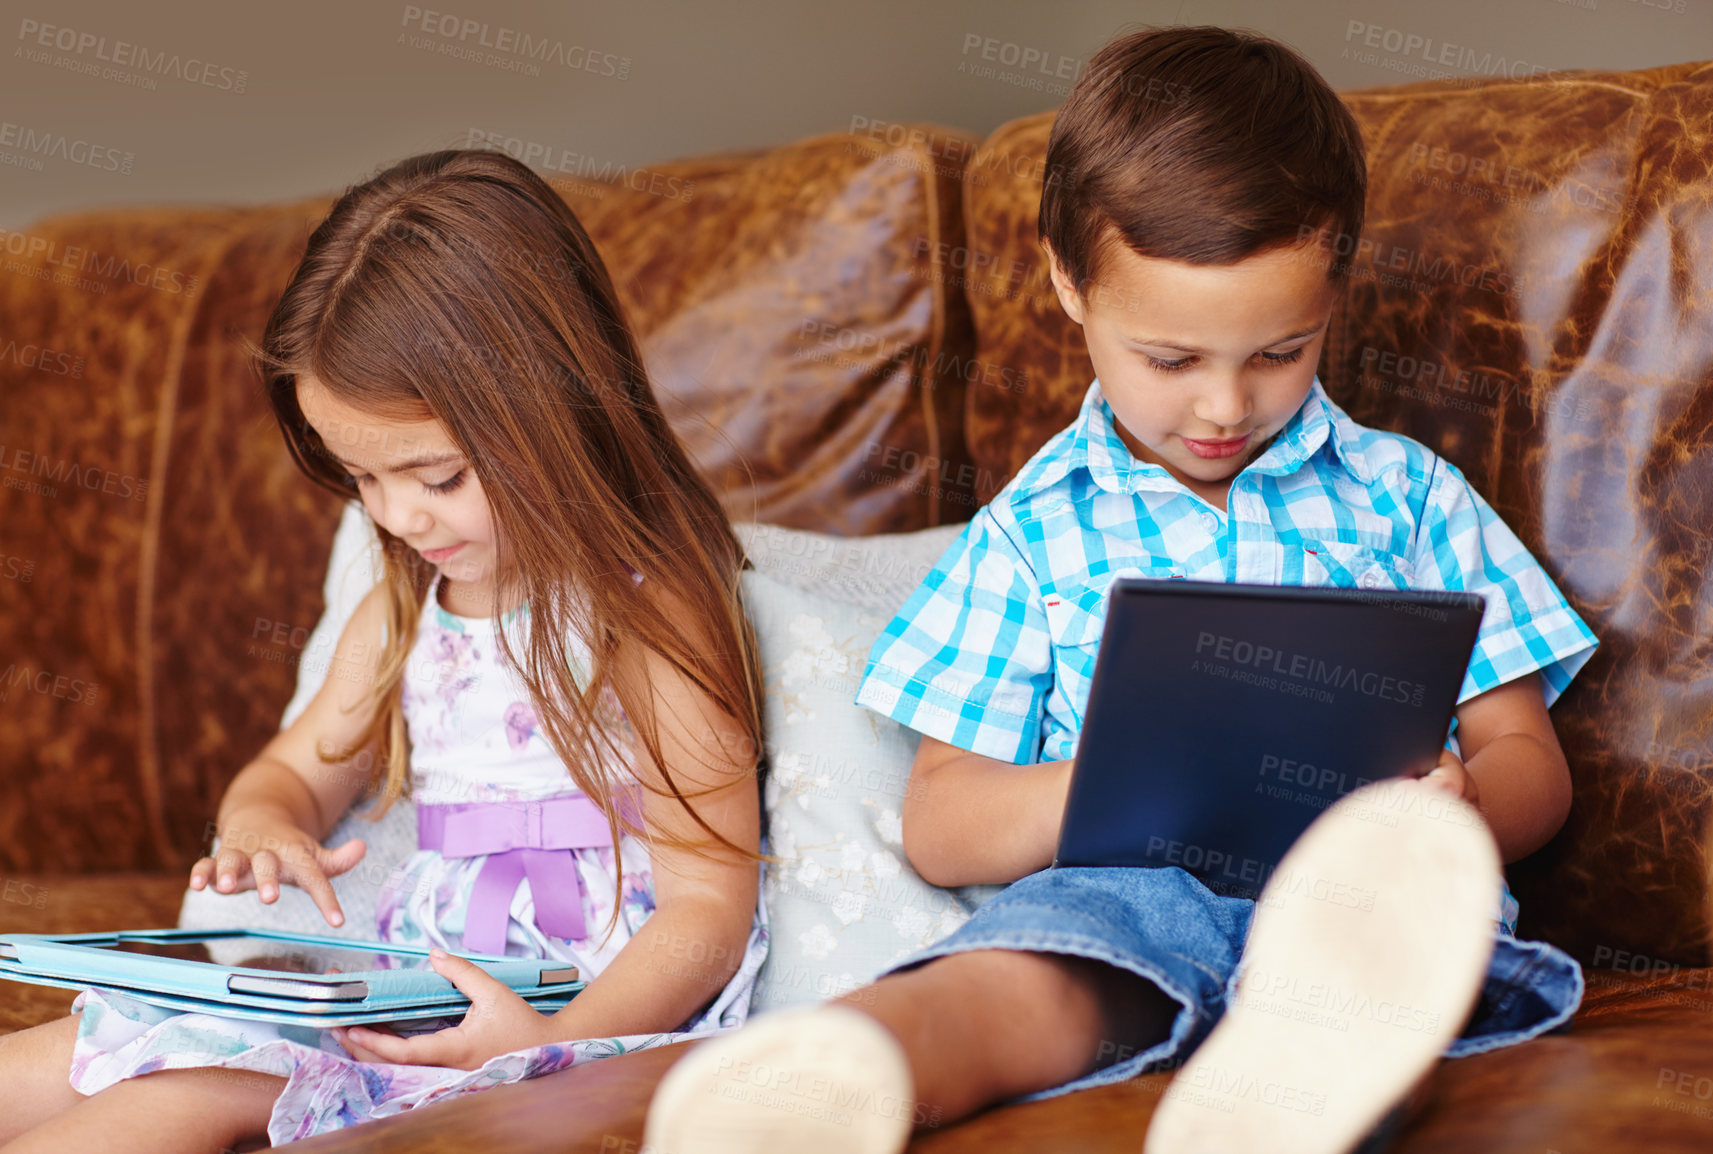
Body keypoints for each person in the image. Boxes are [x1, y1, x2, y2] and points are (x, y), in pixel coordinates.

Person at [644, 25, 1596, 1154]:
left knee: (1390, 948)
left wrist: (1467, 804)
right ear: (1067, 285)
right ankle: (839, 1066)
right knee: (1029, 972)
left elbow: (1530, 762)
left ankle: (1296, 1074)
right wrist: (1118, 775)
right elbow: (943, 825)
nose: (1224, 408)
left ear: (1335, 288)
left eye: (1280, 351)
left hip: (1366, 891)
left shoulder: (1409, 500)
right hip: (1125, 897)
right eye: (1172, 360)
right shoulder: (1030, 534)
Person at [0, 149, 769, 1153]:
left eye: (437, 475)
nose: (398, 515)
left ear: (555, 406)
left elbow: (711, 903)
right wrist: (263, 823)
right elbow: (292, 772)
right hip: (400, 990)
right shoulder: (406, 616)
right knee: (59, 1055)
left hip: (576, 1011)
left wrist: (545, 1042)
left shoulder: (646, 609)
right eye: (362, 476)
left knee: (179, 1096)